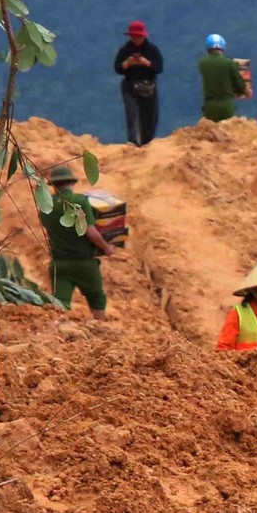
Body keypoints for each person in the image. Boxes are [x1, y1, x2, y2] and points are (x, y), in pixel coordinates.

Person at [39, 162, 116, 313]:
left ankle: (56, 334)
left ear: (53, 184)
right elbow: (90, 231)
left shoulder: (45, 206)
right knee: (97, 299)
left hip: (58, 265)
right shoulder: (80, 202)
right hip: (84, 264)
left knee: (60, 305)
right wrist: (106, 248)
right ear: (73, 182)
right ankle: (100, 332)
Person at [113, 21, 164, 146]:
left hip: (148, 86)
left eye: (138, 37)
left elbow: (159, 67)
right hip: (130, 85)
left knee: (150, 117)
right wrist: (127, 64)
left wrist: (147, 63)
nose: (136, 39)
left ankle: (147, 143)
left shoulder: (152, 50)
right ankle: (133, 141)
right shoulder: (125, 50)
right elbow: (117, 68)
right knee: (132, 114)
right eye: (133, 37)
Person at [199, 34, 247, 123]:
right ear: (222, 46)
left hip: (210, 107)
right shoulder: (229, 63)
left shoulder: (202, 63)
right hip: (226, 106)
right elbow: (240, 85)